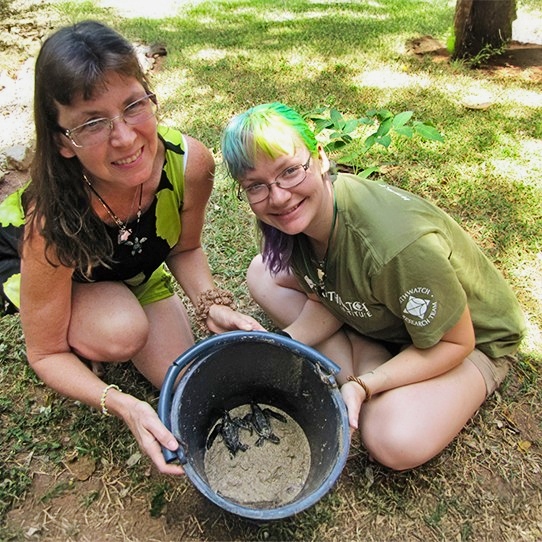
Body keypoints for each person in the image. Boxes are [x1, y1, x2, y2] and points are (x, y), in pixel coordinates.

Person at [0, 20, 264, 476]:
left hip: (130, 268)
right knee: (119, 331)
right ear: (64, 142)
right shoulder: (50, 221)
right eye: (92, 124)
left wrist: (210, 303)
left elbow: (184, 248)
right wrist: (121, 403)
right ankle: (84, 327)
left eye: (132, 106)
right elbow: (43, 355)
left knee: (183, 383)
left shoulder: (191, 163)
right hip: (56, 272)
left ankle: (122, 297)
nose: (124, 138)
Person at [221, 102, 526, 471]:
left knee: (390, 439)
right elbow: (322, 288)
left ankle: (366, 364)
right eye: (256, 186)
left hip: (471, 341)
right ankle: (367, 348)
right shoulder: (293, 218)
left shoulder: (396, 247)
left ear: (320, 157)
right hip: (386, 313)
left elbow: (457, 342)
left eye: (289, 171)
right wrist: (280, 344)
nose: (279, 196)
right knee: (261, 273)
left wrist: (367, 384)